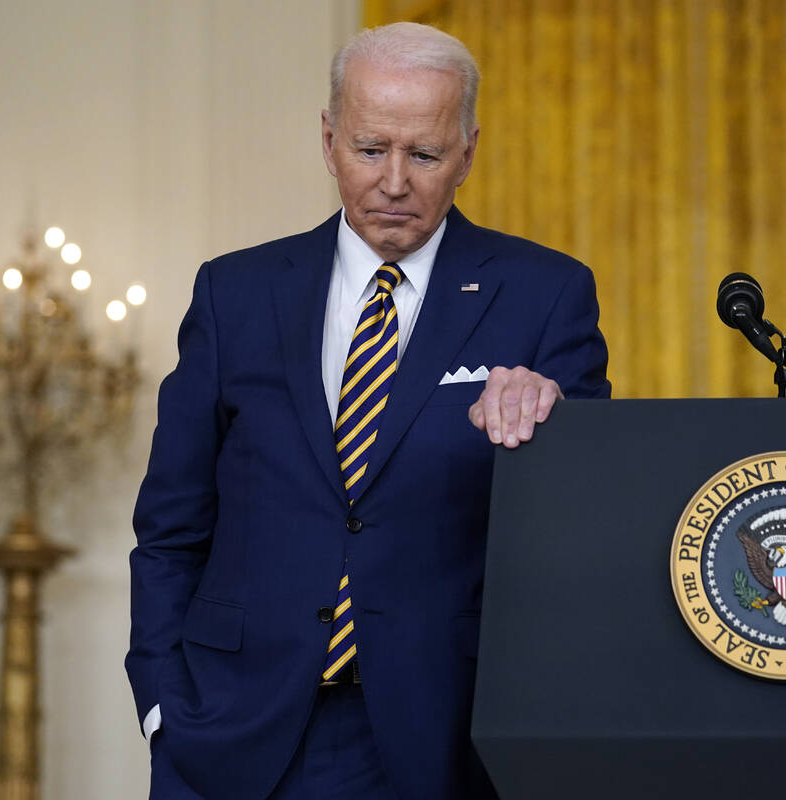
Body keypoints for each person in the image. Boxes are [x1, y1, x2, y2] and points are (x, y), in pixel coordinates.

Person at [126, 21, 610, 800]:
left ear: (468, 152)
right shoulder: (235, 293)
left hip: (444, 742)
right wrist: (162, 709)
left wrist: (557, 430)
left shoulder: (545, 296)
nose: (393, 182)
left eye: (423, 155)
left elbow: (579, 541)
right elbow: (170, 531)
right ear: (327, 141)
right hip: (231, 736)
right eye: (368, 149)